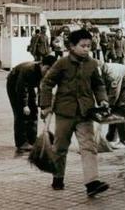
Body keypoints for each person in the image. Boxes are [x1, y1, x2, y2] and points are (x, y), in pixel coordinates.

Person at [39, 29, 110, 196]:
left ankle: (92, 183)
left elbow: (98, 85)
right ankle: (58, 177)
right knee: (60, 147)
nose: (86, 49)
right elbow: (47, 83)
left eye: (89, 46)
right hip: (64, 112)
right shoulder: (62, 63)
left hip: (86, 113)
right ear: (72, 46)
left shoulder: (93, 64)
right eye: (83, 46)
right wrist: (45, 105)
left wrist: (103, 100)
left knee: (89, 147)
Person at [7, 55, 57, 152]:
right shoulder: (29, 70)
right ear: (41, 64)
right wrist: (24, 105)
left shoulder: (49, 75)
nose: (48, 72)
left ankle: (32, 139)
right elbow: (21, 87)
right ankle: (21, 143)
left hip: (29, 86)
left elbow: (43, 90)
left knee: (34, 111)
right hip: (15, 84)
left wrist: (44, 108)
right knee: (21, 113)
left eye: (51, 70)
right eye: (47, 68)